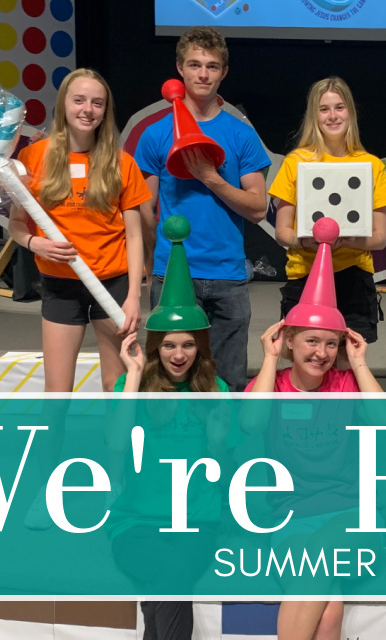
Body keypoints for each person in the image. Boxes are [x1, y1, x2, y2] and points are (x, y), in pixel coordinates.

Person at [244, 221, 382, 640]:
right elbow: (250, 423)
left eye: (331, 343)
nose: (321, 352)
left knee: (317, 562)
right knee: (326, 617)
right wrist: (267, 359)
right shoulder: (273, 385)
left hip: (351, 513)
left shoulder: (346, 383)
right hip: (289, 516)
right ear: (288, 341)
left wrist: (359, 363)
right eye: (310, 341)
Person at [106, 216, 228, 640]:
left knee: (166, 581)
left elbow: (221, 466)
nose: (179, 355)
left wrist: (218, 435)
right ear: (155, 347)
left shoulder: (215, 390)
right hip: (135, 523)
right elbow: (116, 452)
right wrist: (133, 377)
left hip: (195, 522)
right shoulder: (130, 387)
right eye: (170, 346)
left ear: (200, 348)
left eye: (188, 346)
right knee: (168, 578)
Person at [135, 26, 271, 391]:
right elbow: (146, 212)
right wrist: (151, 266)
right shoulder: (154, 135)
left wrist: (210, 177)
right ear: (179, 68)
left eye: (212, 66)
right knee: (167, 378)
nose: (203, 74)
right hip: (172, 272)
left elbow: (258, 208)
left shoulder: (241, 135)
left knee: (227, 378)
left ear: (223, 72)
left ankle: (226, 450)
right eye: (194, 65)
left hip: (228, 275)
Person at [8, 68, 150, 393]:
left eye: (97, 103)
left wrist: (133, 296)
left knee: (116, 385)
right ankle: (52, 446)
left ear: (105, 110)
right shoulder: (33, 157)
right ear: (64, 104)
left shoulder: (121, 162)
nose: (88, 109)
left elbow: (134, 236)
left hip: (111, 287)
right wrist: (33, 243)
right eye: (79, 100)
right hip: (61, 288)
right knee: (57, 393)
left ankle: (117, 446)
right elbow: (15, 224)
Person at [269, 77, 386, 344]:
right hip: (304, 275)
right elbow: (282, 231)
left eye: (339, 107)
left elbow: (380, 237)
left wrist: (347, 240)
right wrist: (303, 241)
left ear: (350, 111)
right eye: (324, 109)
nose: (332, 116)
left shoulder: (371, 165)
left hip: (354, 277)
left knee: (349, 365)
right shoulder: (296, 162)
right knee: (307, 365)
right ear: (313, 115)